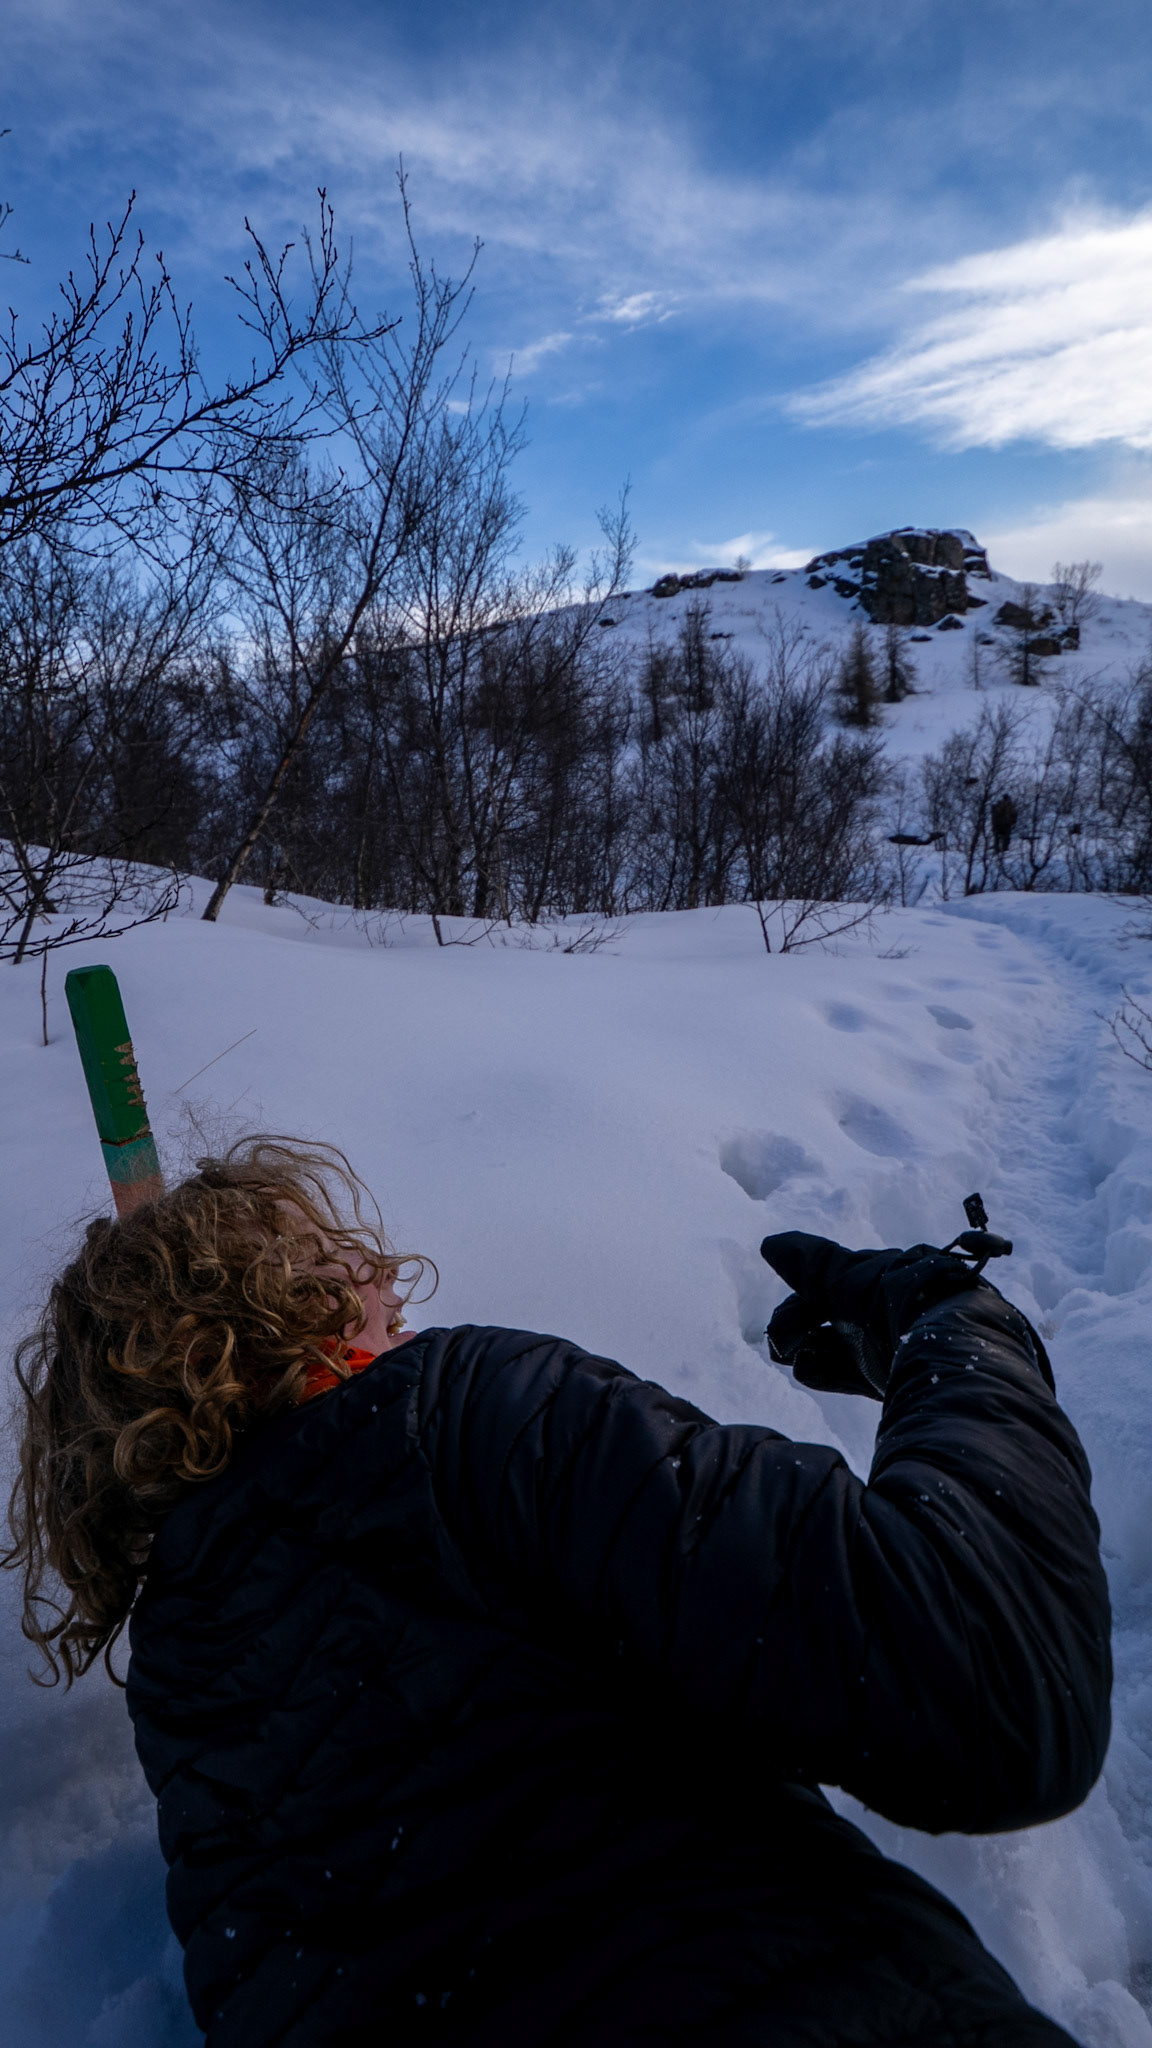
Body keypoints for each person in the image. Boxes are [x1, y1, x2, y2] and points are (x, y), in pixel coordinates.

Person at [3, 1136, 1111, 2046]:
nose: (388, 1277)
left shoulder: (181, 1689)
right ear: (258, 1326)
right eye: (335, 1260)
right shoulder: (451, 1414)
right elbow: (990, 1675)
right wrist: (957, 1327)